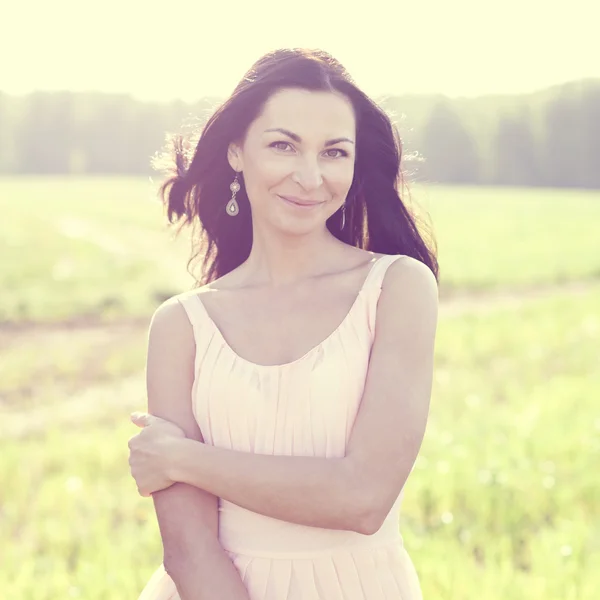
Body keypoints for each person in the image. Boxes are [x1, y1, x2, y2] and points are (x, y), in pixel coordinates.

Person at [127, 47, 439, 600]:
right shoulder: (181, 325)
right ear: (236, 152)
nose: (311, 176)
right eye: (283, 145)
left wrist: (182, 459)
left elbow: (364, 498)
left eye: (334, 152)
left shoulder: (397, 288)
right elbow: (189, 549)